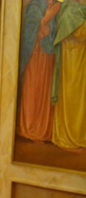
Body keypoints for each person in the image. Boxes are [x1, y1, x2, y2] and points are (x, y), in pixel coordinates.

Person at [17, 0, 60, 142]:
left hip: (48, 59)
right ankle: (30, 128)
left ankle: (43, 130)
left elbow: (56, 35)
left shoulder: (55, 8)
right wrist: (45, 20)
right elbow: (30, 34)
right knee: (33, 90)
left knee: (44, 92)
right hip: (34, 57)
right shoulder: (34, 7)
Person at [51, 0, 86, 151]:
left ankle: (80, 135)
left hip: (80, 57)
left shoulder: (78, 8)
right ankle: (70, 136)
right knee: (73, 97)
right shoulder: (70, 10)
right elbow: (78, 32)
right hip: (72, 59)